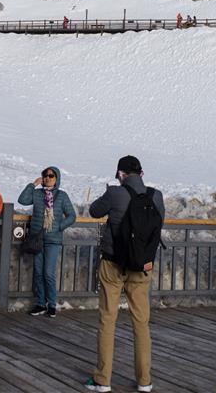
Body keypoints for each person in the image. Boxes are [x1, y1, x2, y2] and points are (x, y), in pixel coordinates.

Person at [86, 156, 164, 393]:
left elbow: (93, 211)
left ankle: (102, 380)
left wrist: (112, 195)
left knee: (107, 320)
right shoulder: (156, 196)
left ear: (121, 174)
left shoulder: (115, 193)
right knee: (141, 323)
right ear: (141, 173)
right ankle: (144, 381)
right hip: (142, 266)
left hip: (113, 263)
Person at [18, 167, 76, 317]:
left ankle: (51, 305)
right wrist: (33, 184)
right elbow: (22, 200)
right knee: (38, 273)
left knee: (48, 273)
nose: (48, 178)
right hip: (38, 239)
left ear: (57, 179)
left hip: (53, 240)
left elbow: (71, 216)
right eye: (45, 175)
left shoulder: (62, 196)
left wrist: (58, 227)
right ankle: (40, 304)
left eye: (51, 176)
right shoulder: (37, 194)